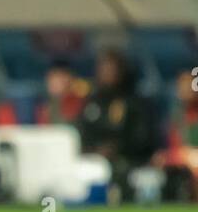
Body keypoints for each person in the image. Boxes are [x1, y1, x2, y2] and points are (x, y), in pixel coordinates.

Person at [76, 48, 155, 199]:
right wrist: (93, 150)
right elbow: (83, 133)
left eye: (111, 69)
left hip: (126, 161)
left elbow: (143, 138)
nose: (107, 73)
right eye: (104, 69)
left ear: (121, 71)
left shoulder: (134, 103)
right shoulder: (92, 102)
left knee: (119, 171)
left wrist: (116, 148)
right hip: (93, 159)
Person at [35, 60, 87, 125]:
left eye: (55, 77)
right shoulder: (45, 103)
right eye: (49, 78)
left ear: (68, 79)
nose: (50, 83)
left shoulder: (76, 103)